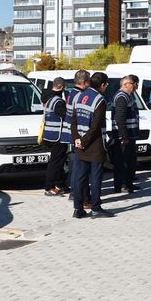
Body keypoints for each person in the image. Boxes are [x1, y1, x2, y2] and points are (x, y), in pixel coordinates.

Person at [71, 72, 114, 219]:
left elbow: (73, 120)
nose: (106, 88)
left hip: (80, 144)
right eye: (106, 85)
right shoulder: (99, 100)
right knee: (95, 178)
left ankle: (78, 209)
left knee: (80, 177)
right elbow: (95, 127)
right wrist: (83, 141)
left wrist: (77, 139)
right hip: (94, 145)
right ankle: (95, 208)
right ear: (102, 85)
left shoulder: (78, 96)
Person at [110, 75, 141, 193]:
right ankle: (121, 185)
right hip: (123, 136)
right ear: (126, 84)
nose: (136, 86)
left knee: (131, 161)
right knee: (122, 162)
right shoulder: (121, 97)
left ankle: (129, 183)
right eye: (134, 83)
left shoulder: (129, 96)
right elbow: (120, 118)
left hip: (131, 135)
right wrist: (124, 136)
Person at [65, 70, 91, 206]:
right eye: (89, 81)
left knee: (76, 165)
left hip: (72, 133)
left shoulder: (71, 93)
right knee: (79, 167)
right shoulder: (79, 95)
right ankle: (77, 193)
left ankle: (75, 192)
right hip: (77, 134)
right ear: (84, 82)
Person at [41, 77, 68, 196]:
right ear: (62, 87)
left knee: (59, 161)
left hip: (49, 135)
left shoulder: (48, 98)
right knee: (56, 162)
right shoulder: (58, 101)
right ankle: (49, 187)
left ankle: (60, 184)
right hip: (58, 136)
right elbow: (66, 116)